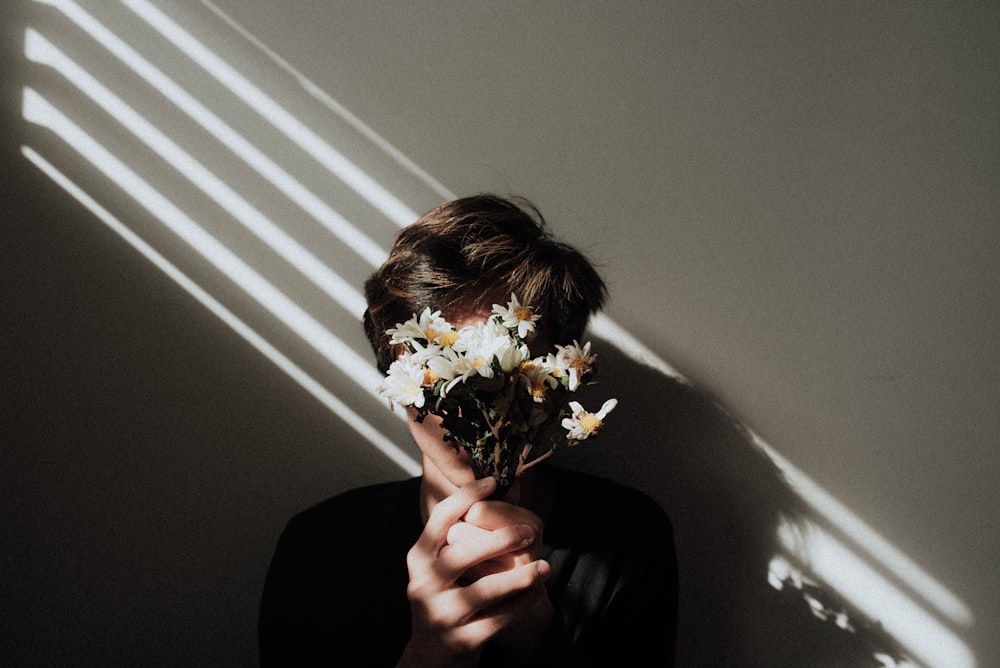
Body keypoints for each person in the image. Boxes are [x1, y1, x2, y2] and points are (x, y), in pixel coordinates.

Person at [258, 194, 679, 666]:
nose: (474, 407)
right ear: (397, 380)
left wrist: (536, 635)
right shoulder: (319, 549)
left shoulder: (624, 537)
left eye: (507, 373)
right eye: (442, 374)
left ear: (561, 378)